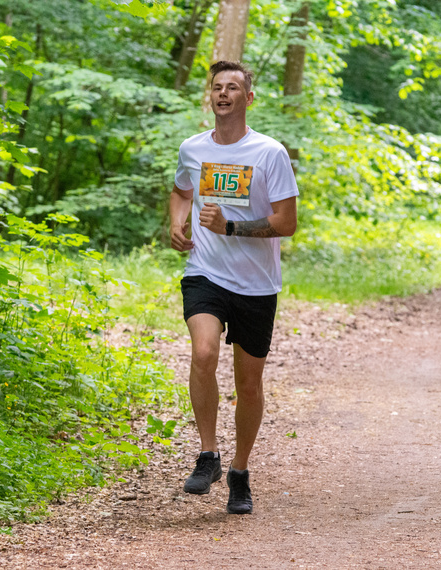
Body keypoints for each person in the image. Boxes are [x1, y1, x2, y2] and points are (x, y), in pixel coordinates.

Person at [169, 60, 299, 515]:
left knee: (249, 383)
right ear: (211, 96)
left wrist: (232, 227)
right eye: (216, 87)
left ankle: (240, 472)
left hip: (257, 285)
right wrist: (177, 221)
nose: (223, 93)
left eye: (232, 87)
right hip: (204, 270)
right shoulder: (193, 148)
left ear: (247, 98)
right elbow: (181, 189)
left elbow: (288, 222)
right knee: (203, 352)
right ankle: (208, 454)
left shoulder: (269, 154)